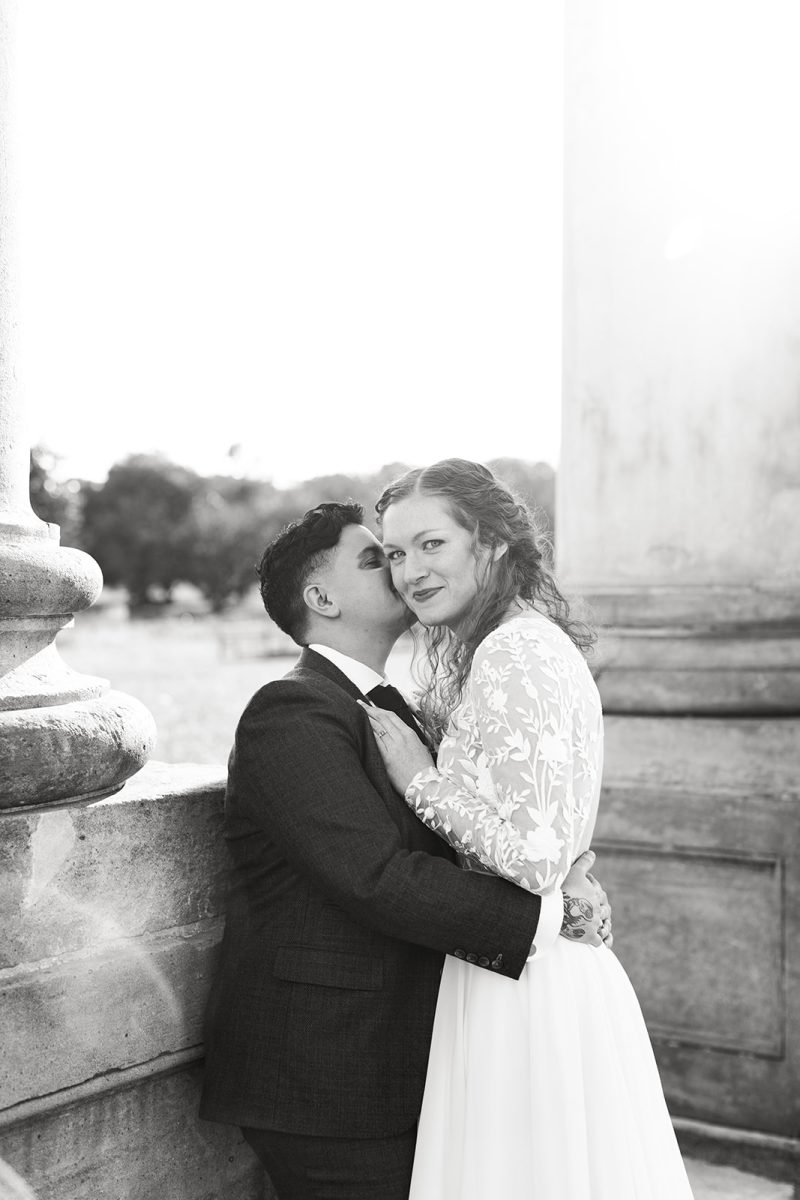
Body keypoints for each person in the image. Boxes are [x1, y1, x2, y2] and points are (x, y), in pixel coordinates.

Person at [200, 500, 611, 1200]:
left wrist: (561, 860)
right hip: (327, 1075)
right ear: (321, 598)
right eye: (376, 558)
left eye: (402, 553)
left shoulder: (395, 707)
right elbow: (376, 877)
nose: (401, 571)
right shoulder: (292, 711)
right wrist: (550, 912)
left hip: (394, 1059)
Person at [364, 459, 695, 1200]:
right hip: (519, 964)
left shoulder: (516, 650)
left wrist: (419, 778)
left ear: (490, 543)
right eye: (393, 553)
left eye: (430, 545)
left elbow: (538, 858)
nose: (409, 571)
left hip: (529, 985)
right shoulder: (515, 643)